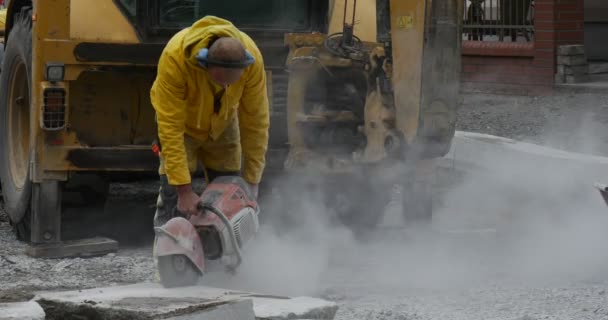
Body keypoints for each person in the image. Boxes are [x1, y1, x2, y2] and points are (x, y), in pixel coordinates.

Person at [150, 16, 270, 226]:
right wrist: (184, 190)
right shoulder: (175, 58)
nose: (225, 87)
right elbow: (170, 127)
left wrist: (252, 180)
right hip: (183, 126)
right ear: (204, 63)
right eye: (219, 81)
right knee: (173, 197)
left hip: (223, 122)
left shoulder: (253, 61)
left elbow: (256, 122)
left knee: (230, 194)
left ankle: (224, 253)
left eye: (230, 84)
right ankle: (169, 246)